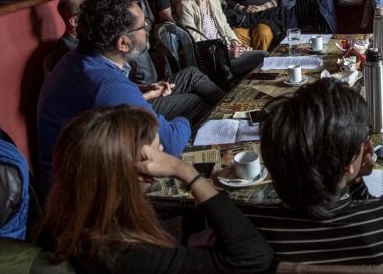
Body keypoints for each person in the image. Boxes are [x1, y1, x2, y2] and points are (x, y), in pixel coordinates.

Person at [39, 105, 274, 273]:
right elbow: (254, 257)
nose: (162, 155)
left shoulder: (61, 220)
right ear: (134, 170)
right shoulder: (126, 254)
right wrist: (185, 170)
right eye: (156, 152)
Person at [37, 0, 191, 191]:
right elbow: (171, 144)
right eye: (143, 25)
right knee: (188, 136)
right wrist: (187, 121)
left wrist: (139, 92)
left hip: (89, 172)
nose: (147, 28)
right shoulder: (106, 83)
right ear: (123, 43)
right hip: (85, 195)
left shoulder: (83, 59)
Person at [241, 78, 383, 265]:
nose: (367, 145)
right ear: (347, 165)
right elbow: (366, 207)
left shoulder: (250, 228)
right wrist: (354, 177)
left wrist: (351, 167)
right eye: (364, 138)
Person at [176, 0, 268, 76]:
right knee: (264, 57)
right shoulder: (185, 5)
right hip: (212, 61)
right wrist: (226, 53)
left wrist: (237, 44)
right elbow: (196, 44)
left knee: (265, 57)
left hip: (227, 53)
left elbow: (225, 27)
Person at [43, 0, 89, 74]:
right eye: (92, 12)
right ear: (75, 21)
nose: (99, 16)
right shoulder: (70, 53)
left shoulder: (83, 42)